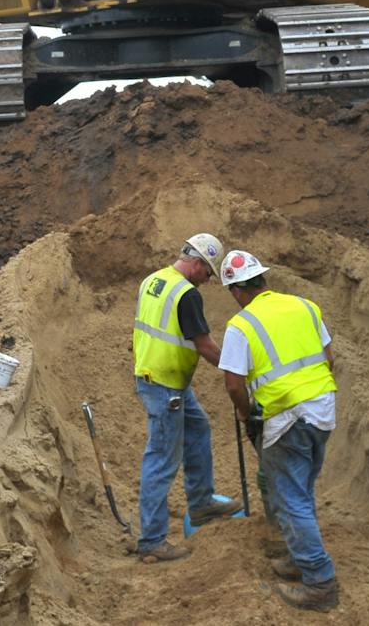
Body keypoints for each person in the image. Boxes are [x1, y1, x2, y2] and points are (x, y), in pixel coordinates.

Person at [217, 250, 340, 612]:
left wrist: (246, 414)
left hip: (286, 418)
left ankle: (319, 582)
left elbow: (234, 385)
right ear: (262, 280)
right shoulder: (305, 306)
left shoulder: (241, 325)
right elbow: (329, 358)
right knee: (300, 490)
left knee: (292, 498)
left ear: (236, 291)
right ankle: (297, 557)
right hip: (322, 411)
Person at [131, 232, 242, 561]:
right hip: (165, 386)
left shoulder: (153, 280)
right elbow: (204, 345)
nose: (207, 281)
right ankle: (152, 540)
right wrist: (236, 369)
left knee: (198, 429)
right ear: (196, 263)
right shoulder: (186, 295)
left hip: (160, 378)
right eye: (208, 273)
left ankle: (201, 502)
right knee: (162, 459)